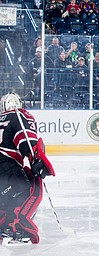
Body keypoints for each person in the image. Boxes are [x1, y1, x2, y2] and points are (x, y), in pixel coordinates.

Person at [0, 92, 55, 244]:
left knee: (4, 200)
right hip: (6, 167)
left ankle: (4, 226)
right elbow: (25, 139)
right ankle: (19, 227)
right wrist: (35, 160)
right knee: (29, 188)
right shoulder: (18, 115)